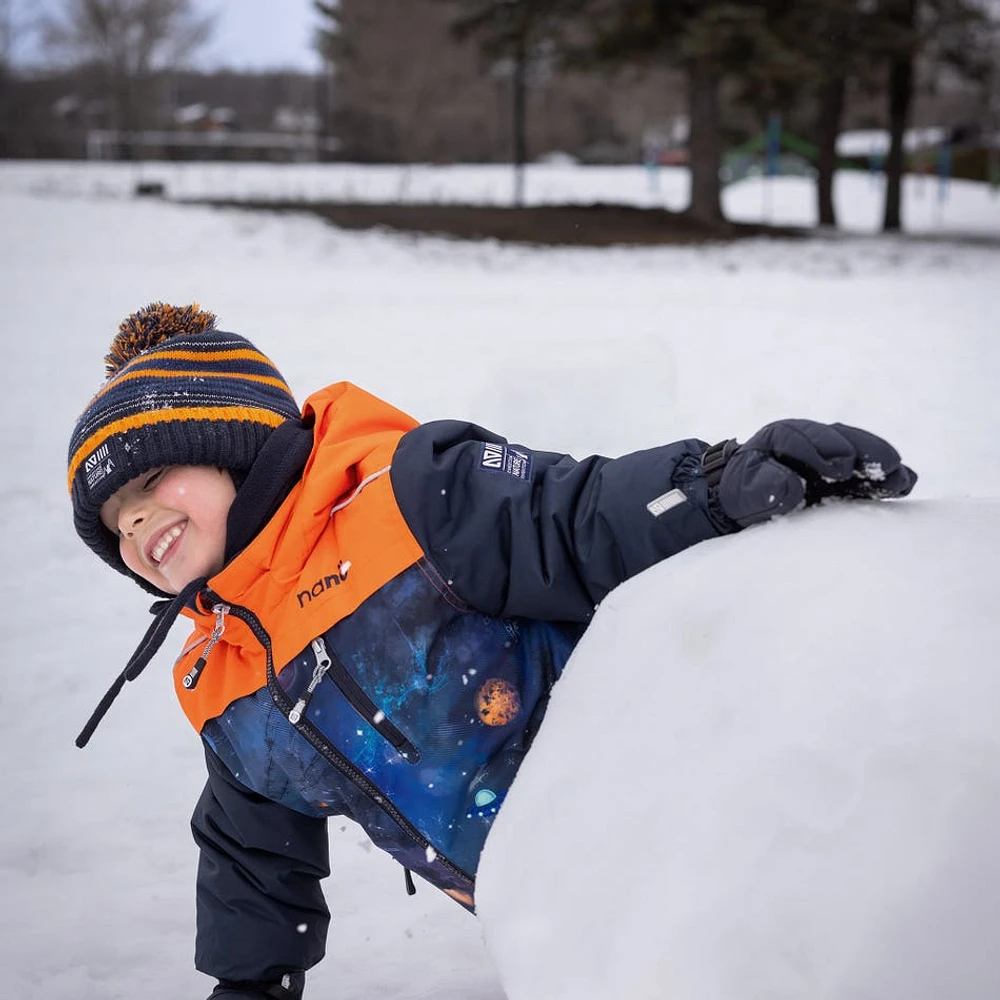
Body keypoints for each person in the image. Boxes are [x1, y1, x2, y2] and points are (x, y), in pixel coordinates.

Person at [68, 303, 916, 1000]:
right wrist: (248, 985)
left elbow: (573, 516)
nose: (137, 522)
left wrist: (716, 484)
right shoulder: (218, 675)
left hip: (697, 813)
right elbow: (251, 846)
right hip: (559, 915)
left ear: (236, 447)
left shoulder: (404, 500)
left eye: (150, 483)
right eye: (114, 524)